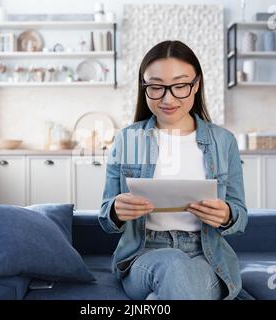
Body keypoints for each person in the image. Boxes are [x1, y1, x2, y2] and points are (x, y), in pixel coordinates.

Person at [98, 40, 248, 300]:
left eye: (180, 86)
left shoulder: (223, 142)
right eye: (156, 87)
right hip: (144, 254)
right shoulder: (128, 139)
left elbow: (240, 216)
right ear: (144, 87)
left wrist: (226, 215)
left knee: (163, 295)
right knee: (173, 265)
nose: (168, 98)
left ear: (196, 84)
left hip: (205, 254)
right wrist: (116, 210)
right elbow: (105, 218)